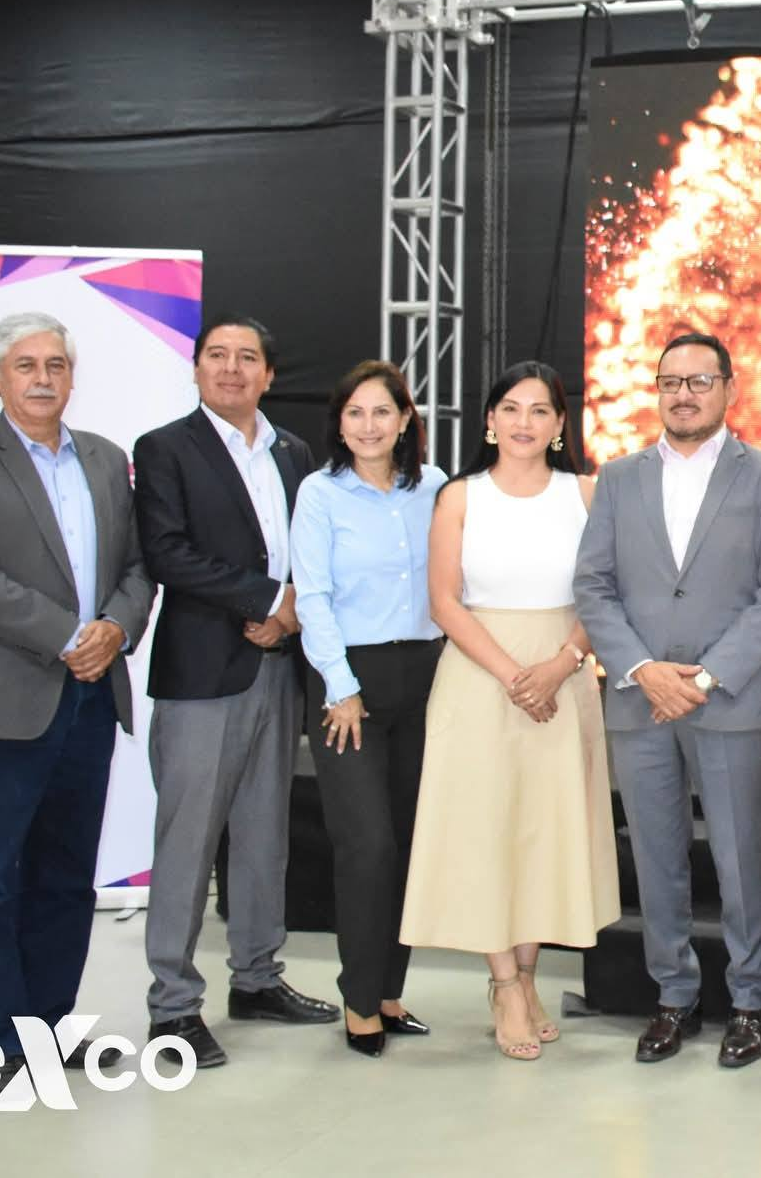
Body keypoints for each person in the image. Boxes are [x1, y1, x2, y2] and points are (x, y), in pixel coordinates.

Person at [0, 312, 154, 1102]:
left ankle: (48, 1028)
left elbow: (138, 565)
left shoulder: (105, 457)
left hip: (89, 698)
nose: (43, 377)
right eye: (26, 364)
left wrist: (115, 627)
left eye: (56, 363)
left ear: (72, 375)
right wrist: (68, 635)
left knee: (66, 877)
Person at [573, 331, 761, 1070]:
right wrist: (644, 670)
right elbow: (593, 586)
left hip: (726, 702)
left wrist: (703, 678)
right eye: (670, 381)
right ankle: (674, 995)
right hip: (639, 700)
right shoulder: (618, 479)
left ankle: (749, 1001)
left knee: (740, 860)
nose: (684, 394)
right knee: (656, 858)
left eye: (699, 380)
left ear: (729, 388)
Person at [398, 361, 619, 1061]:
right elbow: (444, 601)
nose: (525, 421)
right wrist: (514, 675)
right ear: (490, 420)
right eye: (511, 408)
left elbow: (605, 595)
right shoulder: (459, 496)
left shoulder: (587, 494)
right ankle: (504, 983)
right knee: (487, 827)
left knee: (542, 829)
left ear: (559, 424)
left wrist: (561, 663)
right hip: (479, 676)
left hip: (564, 673)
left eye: (540, 410)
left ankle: (526, 974)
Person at [134, 313, 335, 1068]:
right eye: (216, 355)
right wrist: (266, 600)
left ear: (269, 374)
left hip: (277, 668)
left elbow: (308, 550)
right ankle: (172, 1006)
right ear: (195, 368)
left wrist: (290, 616)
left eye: (246, 357)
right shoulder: (164, 448)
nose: (230, 368)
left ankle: (256, 978)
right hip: (201, 677)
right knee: (187, 843)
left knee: (263, 835)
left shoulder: (293, 452)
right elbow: (167, 553)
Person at [289, 360, 446, 1057]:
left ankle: (388, 992)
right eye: (355, 412)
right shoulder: (320, 493)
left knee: (410, 843)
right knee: (368, 845)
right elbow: (312, 595)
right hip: (348, 684)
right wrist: (341, 685)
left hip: (427, 678)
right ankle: (358, 999)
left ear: (406, 419)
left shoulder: (434, 487)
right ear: (339, 422)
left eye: (382, 411)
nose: (369, 425)